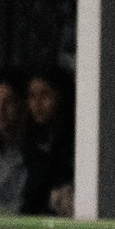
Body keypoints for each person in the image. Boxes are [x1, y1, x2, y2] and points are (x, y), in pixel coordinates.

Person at [22, 67, 77, 216]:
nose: (37, 103)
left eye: (45, 94)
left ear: (62, 96)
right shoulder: (28, 140)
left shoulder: (77, 141)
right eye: (32, 96)